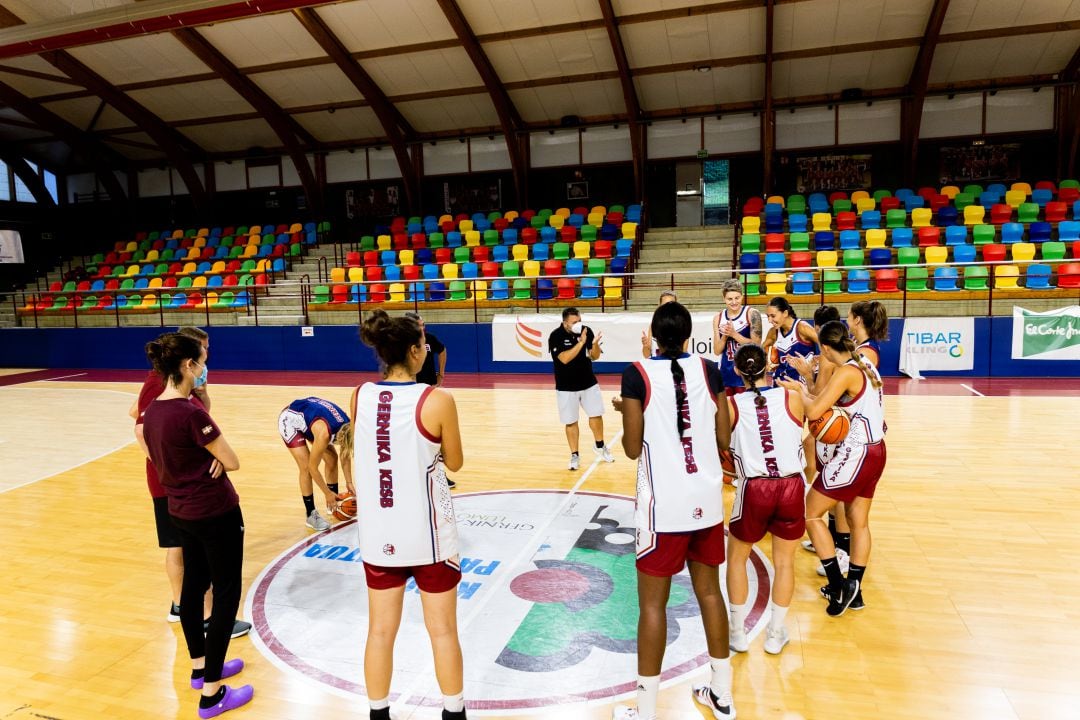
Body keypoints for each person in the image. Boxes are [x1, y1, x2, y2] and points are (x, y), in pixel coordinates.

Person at [613, 301, 735, 720]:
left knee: (652, 608)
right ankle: (722, 694)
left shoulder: (637, 374)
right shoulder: (709, 370)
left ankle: (645, 711)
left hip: (662, 507)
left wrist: (633, 412)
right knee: (709, 594)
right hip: (706, 501)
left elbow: (632, 448)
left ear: (654, 334)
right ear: (688, 336)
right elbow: (723, 436)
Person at [347, 309, 467, 720]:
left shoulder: (360, 394)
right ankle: (453, 712)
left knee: (380, 631)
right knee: (443, 631)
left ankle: (378, 712)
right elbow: (455, 463)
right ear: (416, 352)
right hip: (429, 536)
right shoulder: (437, 399)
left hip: (380, 534)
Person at [142, 332, 253, 718]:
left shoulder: (155, 409)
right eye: (203, 359)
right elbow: (232, 459)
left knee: (192, 589)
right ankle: (212, 694)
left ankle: (199, 668)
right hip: (215, 511)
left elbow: (167, 454)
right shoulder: (190, 413)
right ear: (189, 365)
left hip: (181, 511)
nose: (206, 365)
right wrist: (218, 457)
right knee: (225, 596)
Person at [779, 320, 887, 617]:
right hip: (877, 449)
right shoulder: (863, 363)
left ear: (826, 349)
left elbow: (814, 412)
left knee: (810, 513)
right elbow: (827, 404)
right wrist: (804, 390)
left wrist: (797, 391)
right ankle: (855, 588)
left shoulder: (846, 372)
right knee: (859, 521)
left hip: (857, 452)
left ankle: (839, 585)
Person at [725, 344, 806, 655]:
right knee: (785, 562)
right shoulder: (792, 398)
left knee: (737, 559)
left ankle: (737, 633)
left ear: (736, 370)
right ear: (769, 367)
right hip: (791, 487)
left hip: (754, 488)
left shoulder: (730, 405)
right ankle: (774, 634)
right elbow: (815, 426)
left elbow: (719, 443)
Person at [548, 307, 615, 470]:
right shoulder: (555, 336)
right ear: (565, 323)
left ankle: (600, 446)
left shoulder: (586, 331)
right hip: (566, 387)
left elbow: (594, 356)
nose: (578, 324)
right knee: (571, 422)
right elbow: (564, 359)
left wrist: (594, 345)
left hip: (588, 382)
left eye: (579, 321)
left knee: (596, 415)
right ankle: (574, 455)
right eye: (574, 322)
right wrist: (581, 343)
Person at [277, 396, 350, 532]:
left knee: (332, 459)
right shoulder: (324, 435)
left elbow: (344, 456)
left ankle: (333, 505)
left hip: (310, 419)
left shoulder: (348, 426)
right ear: (339, 438)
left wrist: (349, 483)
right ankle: (311, 514)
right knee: (306, 467)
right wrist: (326, 492)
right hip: (290, 421)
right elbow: (313, 468)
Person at [405, 311, 456, 489]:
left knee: (434, 435)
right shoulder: (403, 343)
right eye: (419, 325)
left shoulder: (430, 339)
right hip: (411, 394)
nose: (423, 328)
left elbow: (442, 351)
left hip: (429, 391)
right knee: (414, 435)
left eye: (423, 324)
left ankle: (439, 475)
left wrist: (441, 373)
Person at [712, 279, 762, 395]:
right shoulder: (718, 318)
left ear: (742, 296)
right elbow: (717, 351)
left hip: (747, 373)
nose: (734, 302)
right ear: (724, 299)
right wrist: (725, 336)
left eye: (737, 298)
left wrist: (734, 334)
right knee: (729, 411)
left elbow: (756, 345)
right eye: (730, 299)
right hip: (726, 373)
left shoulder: (751, 313)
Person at [762, 297, 818, 384]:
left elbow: (827, 346)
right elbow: (759, 352)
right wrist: (767, 361)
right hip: (780, 383)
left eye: (773, 316)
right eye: (768, 316)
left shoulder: (802, 328)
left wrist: (818, 361)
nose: (769, 320)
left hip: (801, 386)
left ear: (785, 313)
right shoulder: (773, 332)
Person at [639, 290, 678, 358]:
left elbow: (683, 354)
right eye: (664, 304)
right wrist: (646, 346)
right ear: (660, 306)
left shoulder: (681, 325)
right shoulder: (653, 325)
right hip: (656, 366)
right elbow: (646, 355)